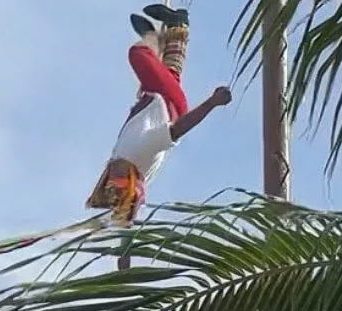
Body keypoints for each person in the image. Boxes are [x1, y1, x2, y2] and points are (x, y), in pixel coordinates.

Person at [85, 3, 232, 260]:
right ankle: (153, 36)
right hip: (169, 102)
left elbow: (125, 217)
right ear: (129, 178)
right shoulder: (142, 154)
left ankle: (177, 27)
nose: (112, 177)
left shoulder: (120, 159)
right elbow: (180, 128)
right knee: (139, 55)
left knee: (168, 70)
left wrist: (124, 254)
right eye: (118, 181)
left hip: (154, 100)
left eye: (110, 183)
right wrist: (212, 102)